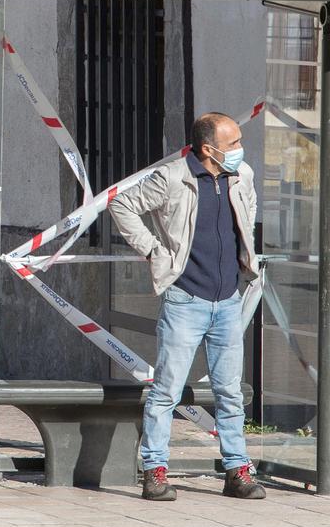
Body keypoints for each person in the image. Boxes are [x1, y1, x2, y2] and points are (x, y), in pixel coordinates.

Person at [109, 112, 265, 502]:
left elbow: (249, 208)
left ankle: (237, 471)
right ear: (209, 149)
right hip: (185, 300)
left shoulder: (240, 174)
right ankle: (155, 472)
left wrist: (246, 251)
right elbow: (123, 205)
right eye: (233, 143)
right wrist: (153, 250)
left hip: (228, 299)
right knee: (166, 392)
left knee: (229, 392)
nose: (240, 150)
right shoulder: (173, 178)